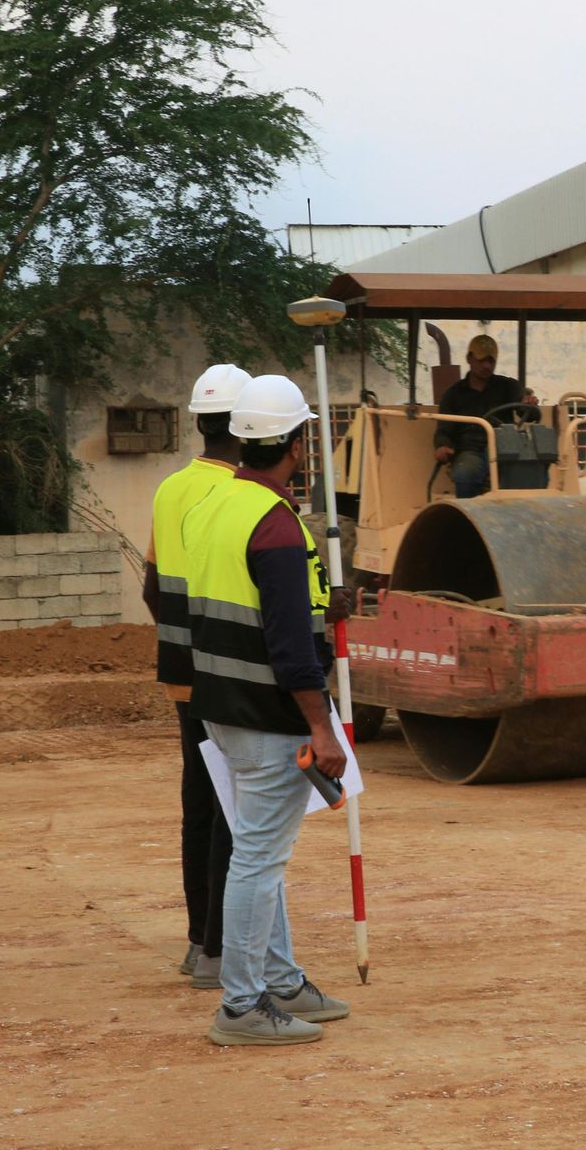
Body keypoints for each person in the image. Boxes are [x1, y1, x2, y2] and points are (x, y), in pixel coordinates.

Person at [183, 374, 354, 1046]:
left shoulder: (214, 506)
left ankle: (279, 980)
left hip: (220, 705)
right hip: (267, 712)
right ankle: (243, 1005)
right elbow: (289, 645)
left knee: (259, 853)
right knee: (258, 858)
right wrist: (322, 725)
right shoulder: (276, 526)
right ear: (294, 443)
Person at [142, 363, 250, 991]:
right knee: (234, 810)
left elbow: (155, 588)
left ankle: (195, 941)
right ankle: (217, 946)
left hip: (183, 674)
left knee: (198, 803)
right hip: (231, 673)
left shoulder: (169, 489)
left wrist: (185, 645)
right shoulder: (240, 492)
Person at [432, 333, 537, 498]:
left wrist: (528, 404)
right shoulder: (453, 394)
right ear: (469, 358)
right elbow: (444, 429)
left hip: (505, 448)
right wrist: (442, 446)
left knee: (525, 470)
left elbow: (529, 414)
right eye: (482, 360)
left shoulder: (508, 386)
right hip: (470, 450)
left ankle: (515, 513)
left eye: (491, 361)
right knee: (464, 473)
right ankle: (470, 517)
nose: (487, 366)